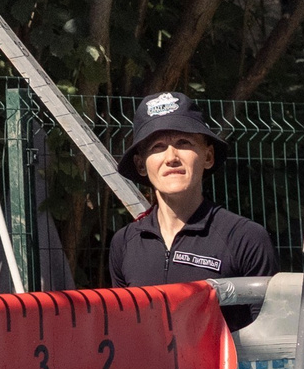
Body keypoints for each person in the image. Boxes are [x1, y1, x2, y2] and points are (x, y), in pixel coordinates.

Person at [107, 91, 277, 327]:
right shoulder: (124, 243)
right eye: (157, 146)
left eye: (183, 143)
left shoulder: (246, 239)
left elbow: (270, 338)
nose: (171, 157)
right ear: (140, 164)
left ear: (208, 156)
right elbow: (124, 331)